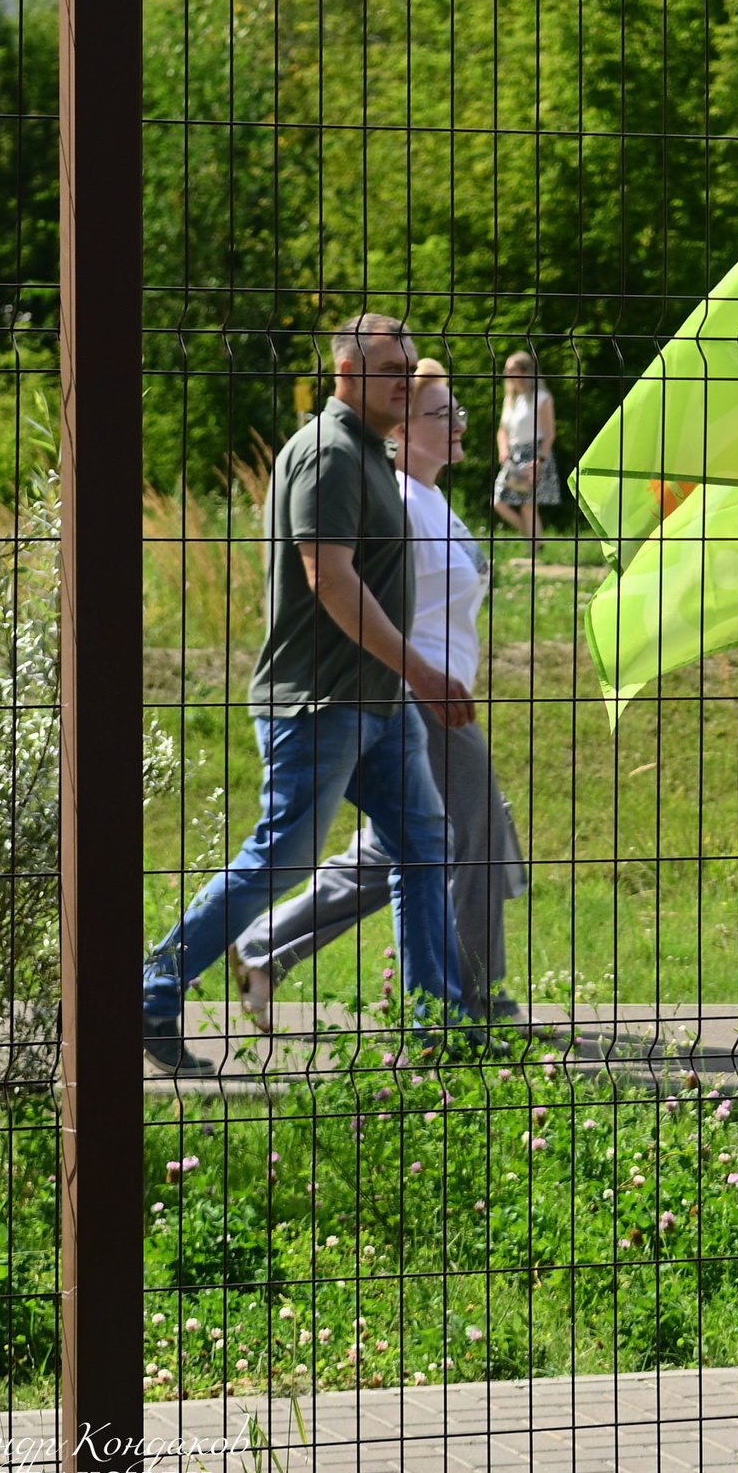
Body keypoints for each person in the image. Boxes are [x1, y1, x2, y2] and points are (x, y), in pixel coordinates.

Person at [140, 314, 475, 1076]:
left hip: (377, 701)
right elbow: (330, 577)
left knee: (425, 844)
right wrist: (421, 670)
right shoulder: (329, 453)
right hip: (320, 704)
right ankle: (153, 988)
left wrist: (404, 679)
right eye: (392, 369)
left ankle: (438, 1029)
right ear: (347, 373)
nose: (407, 380)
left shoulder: (369, 452)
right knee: (282, 861)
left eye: (411, 367)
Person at [229, 359, 528, 1029]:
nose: (459, 423)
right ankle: (476, 999)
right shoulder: (394, 501)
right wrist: (413, 674)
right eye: (441, 412)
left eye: (458, 410)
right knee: (475, 830)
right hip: (417, 695)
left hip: (438, 692)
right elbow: (349, 591)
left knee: (404, 844)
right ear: (401, 429)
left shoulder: (431, 499)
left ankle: (263, 946)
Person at [490, 349, 559, 542]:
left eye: (511, 369)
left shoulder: (542, 398)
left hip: (536, 453)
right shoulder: (511, 399)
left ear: (525, 371)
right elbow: (502, 430)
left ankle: (535, 547)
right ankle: (535, 540)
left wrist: (540, 461)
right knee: (499, 502)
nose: (507, 373)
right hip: (514, 455)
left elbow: (550, 433)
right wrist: (503, 450)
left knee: (528, 505)